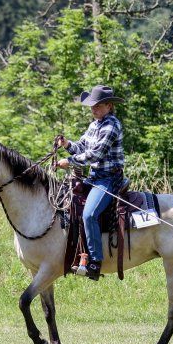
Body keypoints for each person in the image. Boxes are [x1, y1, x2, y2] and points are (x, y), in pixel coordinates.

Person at [56, 85, 125, 279]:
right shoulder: (94, 125)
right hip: (95, 177)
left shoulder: (112, 125)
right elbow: (81, 147)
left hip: (109, 178)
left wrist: (68, 162)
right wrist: (68, 145)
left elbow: (95, 154)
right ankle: (77, 254)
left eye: (98, 105)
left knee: (89, 214)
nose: (93, 109)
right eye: (92, 106)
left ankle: (95, 262)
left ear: (109, 106)